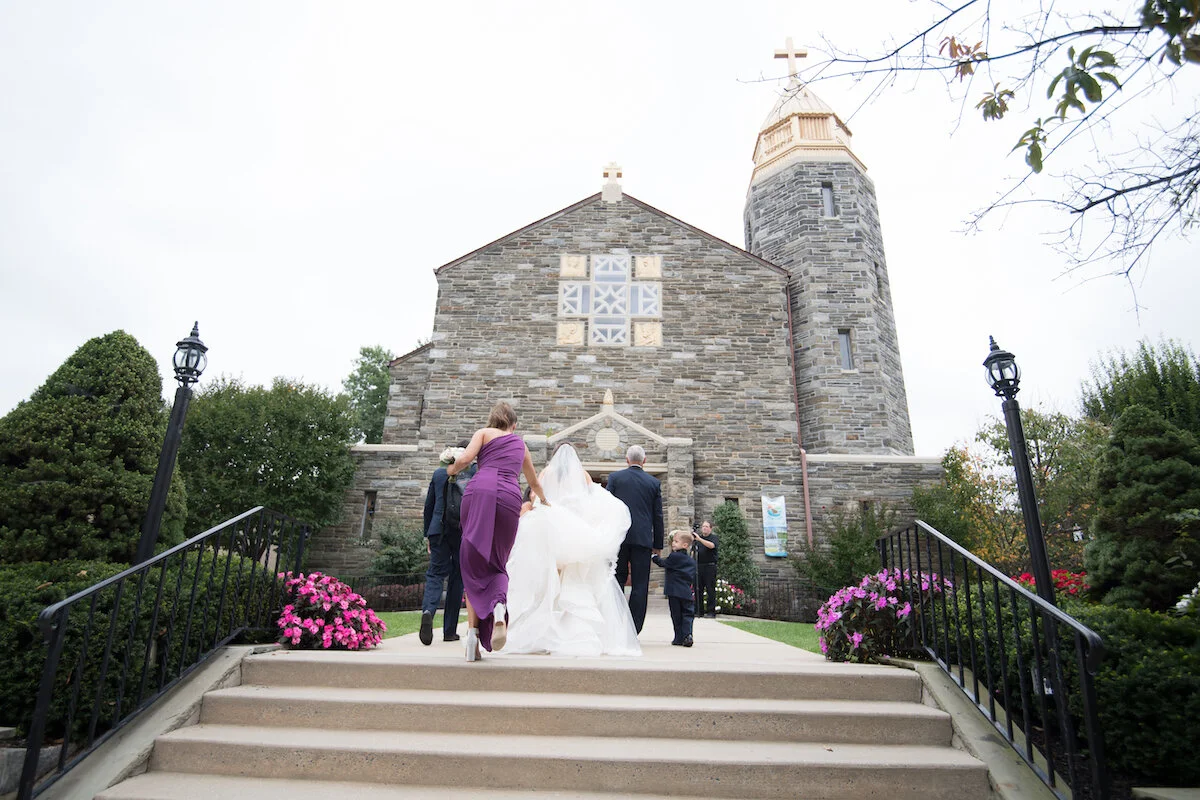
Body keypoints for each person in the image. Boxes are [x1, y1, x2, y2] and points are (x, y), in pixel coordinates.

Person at [503, 443, 641, 657]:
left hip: (552, 531)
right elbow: (594, 499)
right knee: (577, 580)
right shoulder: (583, 474)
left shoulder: (547, 472)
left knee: (549, 580)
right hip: (575, 532)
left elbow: (537, 495)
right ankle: (574, 629)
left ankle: (546, 629)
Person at [446, 401, 548, 662]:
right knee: (498, 563)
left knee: (472, 563)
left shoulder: (483, 433)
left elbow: (467, 459)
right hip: (509, 497)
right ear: (513, 425)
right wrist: (545, 500)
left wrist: (451, 469)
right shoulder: (520, 445)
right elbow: (533, 481)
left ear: (493, 420)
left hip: (480, 491)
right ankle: (499, 606)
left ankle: (471, 639)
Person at [418, 440, 475, 646]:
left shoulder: (439, 473)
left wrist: (428, 534)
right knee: (457, 578)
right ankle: (449, 630)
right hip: (462, 530)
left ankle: (428, 611)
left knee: (435, 573)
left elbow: (429, 505)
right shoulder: (473, 472)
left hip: (438, 528)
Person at [606, 444, 664, 634]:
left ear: (627, 459)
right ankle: (633, 629)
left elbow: (606, 508)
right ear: (644, 461)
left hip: (619, 538)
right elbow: (658, 516)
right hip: (642, 540)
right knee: (640, 584)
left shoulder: (615, 478)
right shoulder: (653, 483)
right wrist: (658, 545)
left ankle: (615, 624)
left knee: (617, 580)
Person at [653, 530, 697, 647]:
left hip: (674, 592)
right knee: (687, 614)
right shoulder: (691, 561)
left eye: (676, 541)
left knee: (676, 615)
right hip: (686, 592)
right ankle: (687, 635)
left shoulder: (674, 557)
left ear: (685, 545)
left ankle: (678, 638)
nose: (673, 543)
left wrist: (654, 557)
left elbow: (664, 563)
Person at [693, 520, 719, 618]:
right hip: (699, 566)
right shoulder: (697, 540)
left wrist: (699, 539)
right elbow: (693, 552)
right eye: (703, 526)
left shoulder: (713, 538)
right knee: (697, 588)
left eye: (707, 526)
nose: (704, 528)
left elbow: (712, 546)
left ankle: (711, 611)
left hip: (710, 566)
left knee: (710, 589)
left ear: (710, 528)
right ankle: (699, 611)